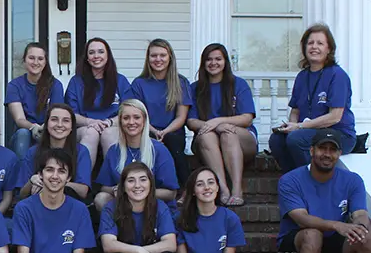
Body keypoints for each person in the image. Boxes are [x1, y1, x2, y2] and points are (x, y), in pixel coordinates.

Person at [269, 24, 356, 172]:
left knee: (296, 139)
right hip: (309, 131)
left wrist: (299, 127)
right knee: (277, 140)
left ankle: (315, 183)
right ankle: (296, 179)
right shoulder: (302, 76)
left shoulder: (337, 75)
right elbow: (295, 110)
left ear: (329, 49)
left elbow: (334, 117)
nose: (314, 47)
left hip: (338, 133)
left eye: (320, 43)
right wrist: (292, 126)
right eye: (310, 43)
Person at [187, 43, 258, 207]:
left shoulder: (238, 84)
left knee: (228, 133)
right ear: (203, 63)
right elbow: (191, 122)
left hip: (242, 139)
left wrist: (219, 122)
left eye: (218, 59)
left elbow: (247, 118)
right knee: (206, 135)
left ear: (225, 61)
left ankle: (237, 190)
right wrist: (212, 126)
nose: (213, 63)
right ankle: (223, 188)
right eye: (209, 59)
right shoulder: (195, 88)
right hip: (208, 141)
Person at [93, 100, 179, 213]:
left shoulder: (159, 150)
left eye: (136, 117)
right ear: (120, 122)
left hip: (153, 207)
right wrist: (118, 189)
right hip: (125, 206)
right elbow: (104, 187)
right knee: (101, 198)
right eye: (126, 118)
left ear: (144, 120)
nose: (131, 122)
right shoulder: (114, 151)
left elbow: (171, 193)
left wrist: (137, 191)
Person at [130, 39, 192, 190]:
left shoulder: (181, 82)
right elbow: (137, 115)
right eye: (154, 56)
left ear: (170, 57)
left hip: (172, 131)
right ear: (148, 58)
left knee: (172, 143)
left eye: (162, 55)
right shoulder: (139, 83)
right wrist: (154, 131)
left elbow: (181, 117)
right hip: (145, 130)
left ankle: (185, 191)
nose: (158, 59)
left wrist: (164, 132)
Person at [65, 37, 133, 169]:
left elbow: (130, 111)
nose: (96, 56)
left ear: (108, 55)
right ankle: (83, 182)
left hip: (114, 125)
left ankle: (117, 183)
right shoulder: (76, 82)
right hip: (84, 127)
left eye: (101, 52)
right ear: (86, 57)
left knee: (108, 133)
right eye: (91, 52)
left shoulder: (120, 80)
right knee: (92, 133)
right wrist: (90, 122)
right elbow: (71, 114)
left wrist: (109, 122)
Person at [17, 103, 92, 201]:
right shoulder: (33, 152)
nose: (60, 125)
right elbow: (21, 195)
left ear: (71, 127)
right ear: (46, 124)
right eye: (54, 119)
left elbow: (83, 191)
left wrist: (49, 182)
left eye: (66, 121)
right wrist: (31, 181)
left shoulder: (81, 151)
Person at [6, 42, 64, 160]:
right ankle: (22, 177)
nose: (36, 62)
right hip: (23, 134)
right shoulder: (14, 85)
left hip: (49, 131)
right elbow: (19, 119)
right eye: (31, 58)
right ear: (24, 60)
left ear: (45, 62)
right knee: (23, 133)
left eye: (40, 59)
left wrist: (46, 128)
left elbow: (57, 115)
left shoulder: (55, 85)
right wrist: (33, 127)